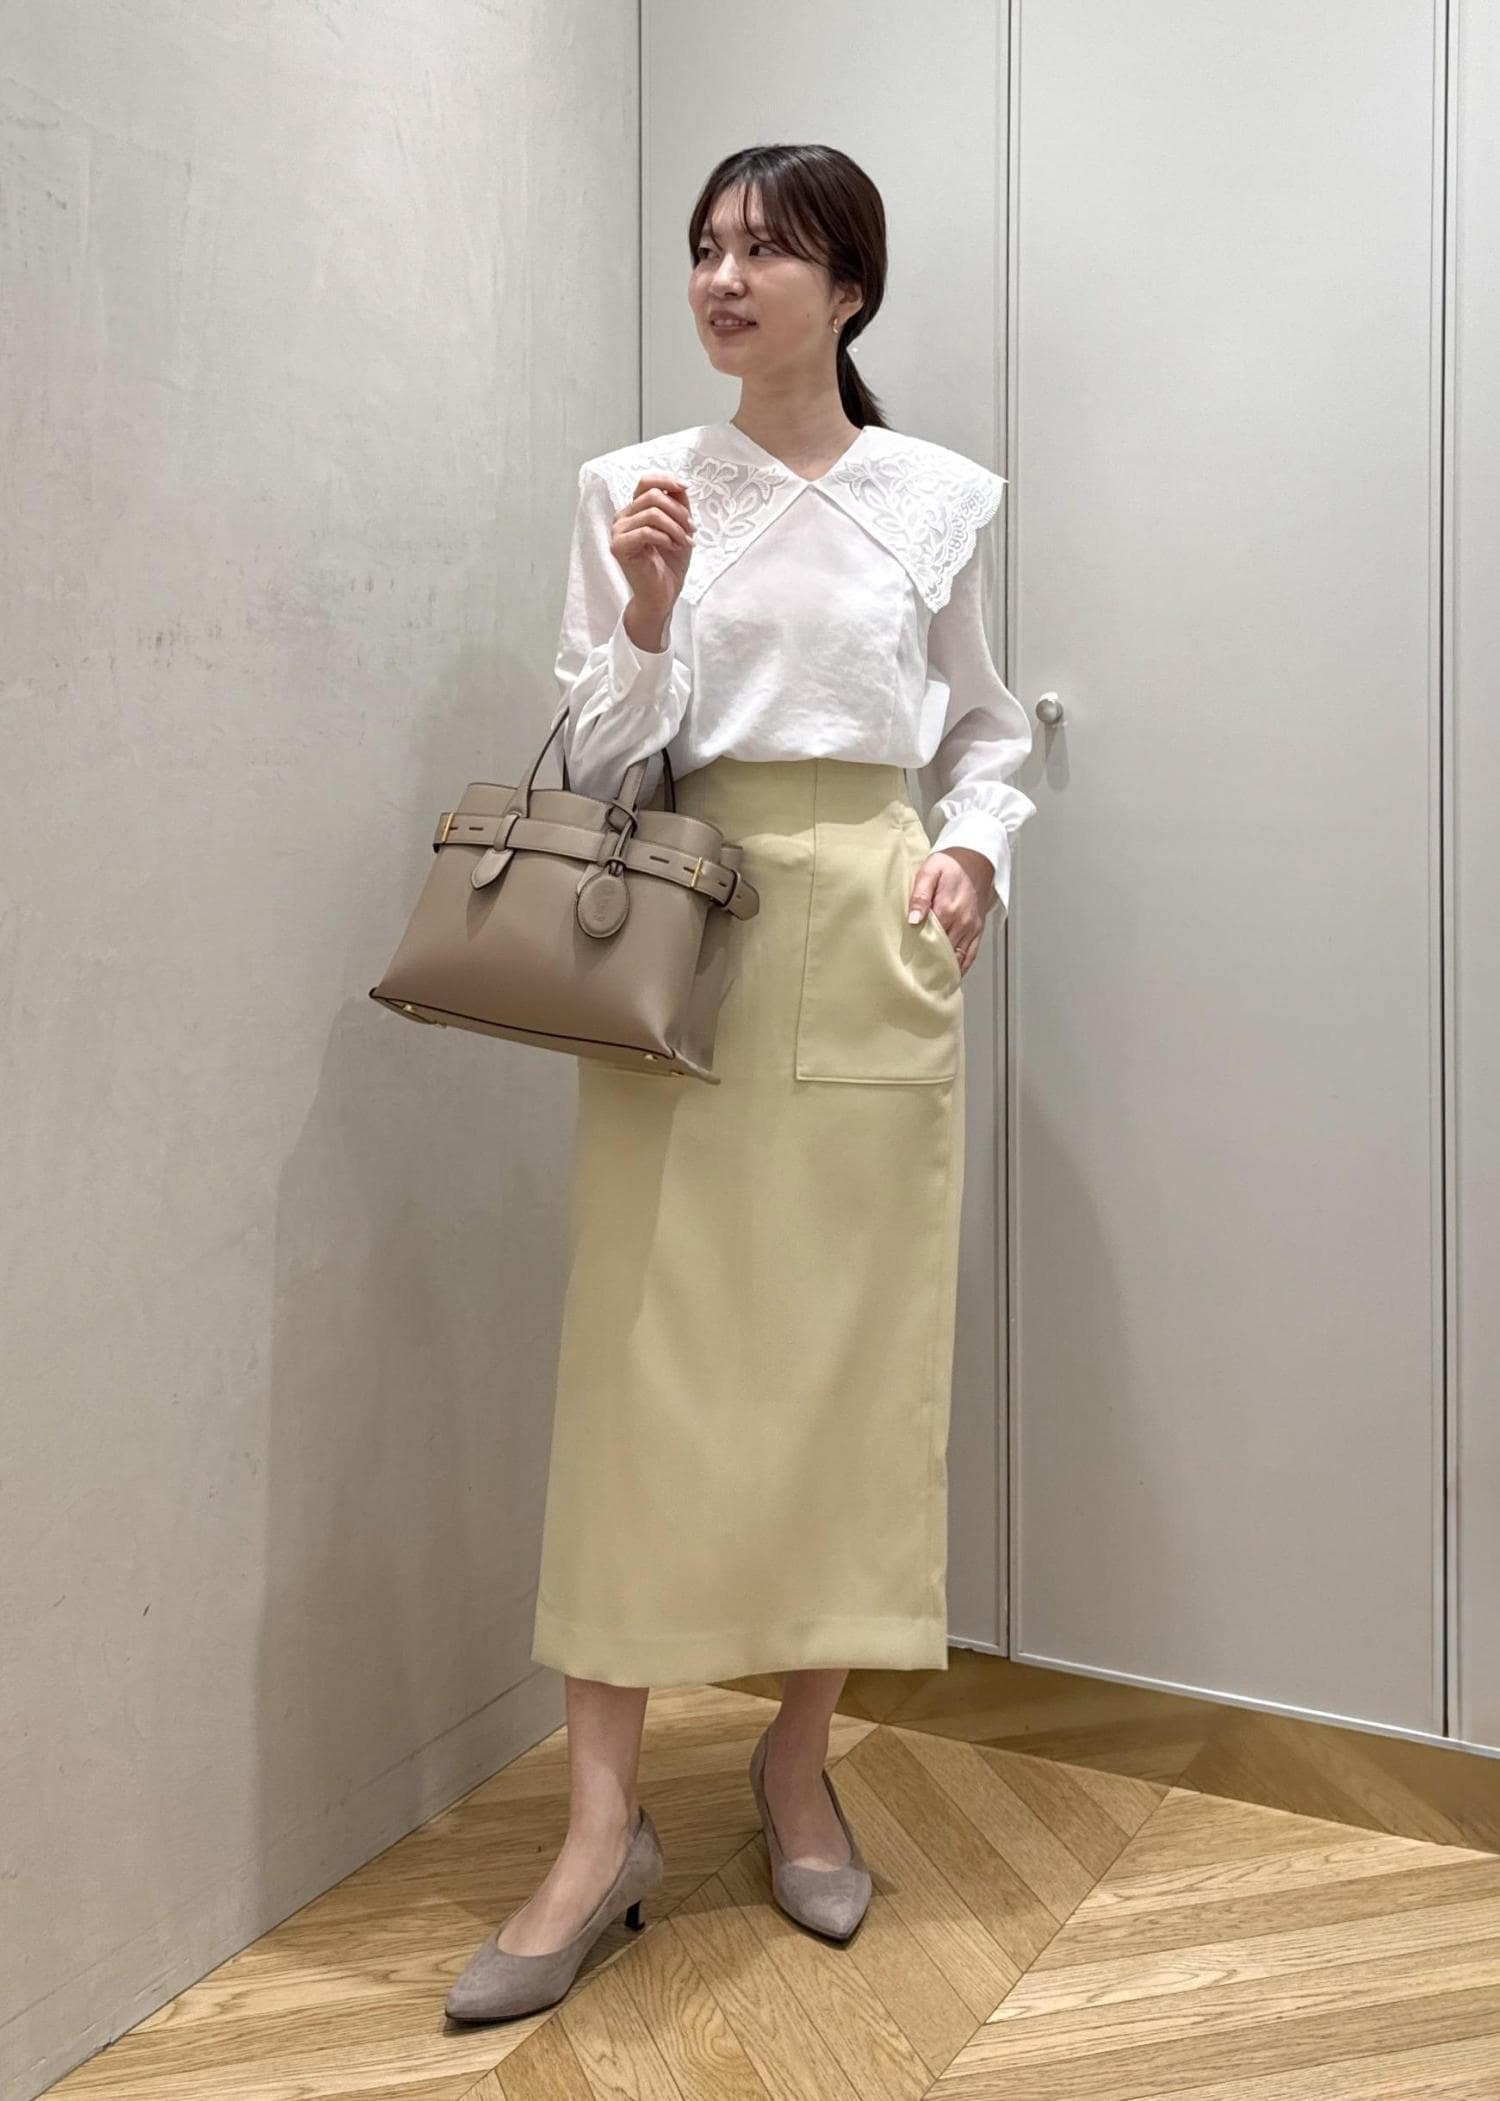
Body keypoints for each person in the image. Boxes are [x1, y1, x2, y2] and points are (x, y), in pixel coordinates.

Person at [446, 143, 1037, 2023]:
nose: (723, 276)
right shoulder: (633, 487)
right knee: (641, 1362)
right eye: (706, 245)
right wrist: (644, 612)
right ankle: (596, 1827)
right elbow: (604, 750)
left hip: (870, 928)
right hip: (684, 931)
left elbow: (988, 729)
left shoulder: (934, 499)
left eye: (767, 250)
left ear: (848, 287)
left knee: (849, 1359)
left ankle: (797, 1759)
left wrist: (975, 851)